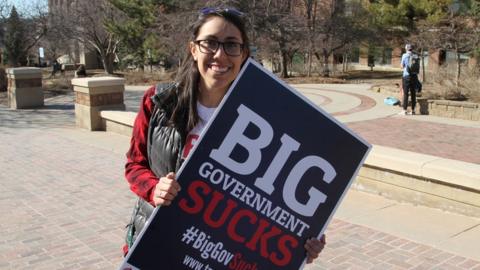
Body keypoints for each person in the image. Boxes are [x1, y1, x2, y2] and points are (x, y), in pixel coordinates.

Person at [124, 7, 326, 263]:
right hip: (158, 242)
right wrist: (154, 189)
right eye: (209, 43)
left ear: (244, 55)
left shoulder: (266, 119)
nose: (220, 55)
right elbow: (134, 165)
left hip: (218, 254)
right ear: (193, 48)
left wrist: (301, 242)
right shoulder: (159, 101)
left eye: (231, 45)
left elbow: (276, 197)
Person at [400, 44, 419, 115]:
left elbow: (402, 66)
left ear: (406, 49)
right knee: (413, 93)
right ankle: (413, 110)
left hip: (406, 76)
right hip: (414, 76)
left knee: (406, 93)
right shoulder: (416, 56)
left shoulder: (404, 55)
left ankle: (404, 110)